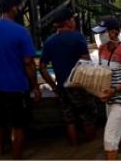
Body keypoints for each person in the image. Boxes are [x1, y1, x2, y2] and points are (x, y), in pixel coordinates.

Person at [0, 0, 41, 159]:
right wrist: (36, 86)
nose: (21, 8)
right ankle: (17, 157)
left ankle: (1, 154)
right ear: (13, 8)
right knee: (18, 124)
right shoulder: (21, 31)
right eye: (19, 6)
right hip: (16, 86)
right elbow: (28, 62)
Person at [39, 8, 97, 146]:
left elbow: (42, 67)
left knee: (69, 120)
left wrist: (54, 86)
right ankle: (92, 149)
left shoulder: (49, 41)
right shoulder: (78, 37)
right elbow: (86, 62)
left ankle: (74, 149)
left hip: (62, 88)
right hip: (79, 86)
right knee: (87, 118)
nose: (75, 21)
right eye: (73, 19)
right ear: (68, 22)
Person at [92, 16, 121, 160]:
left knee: (110, 136)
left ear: (114, 33)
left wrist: (115, 90)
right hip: (109, 97)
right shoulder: (101, 49)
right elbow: (103, 72)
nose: (100, 35)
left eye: (103, 32)